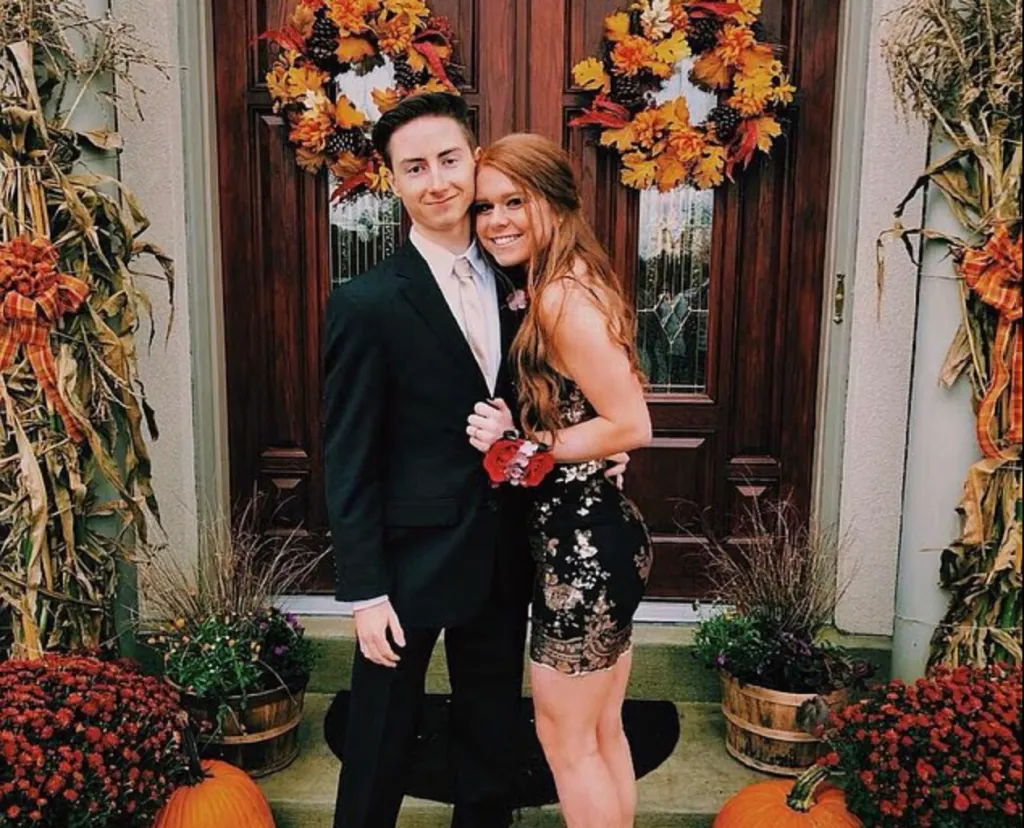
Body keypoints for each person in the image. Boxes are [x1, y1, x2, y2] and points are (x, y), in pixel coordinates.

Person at [322, 93, 625, 828]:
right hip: (406, 564)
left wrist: (593, 455)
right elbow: (348, 455)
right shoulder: (366, 304)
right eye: (414, 167)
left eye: (450, 160)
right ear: (392, 181)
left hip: (505, 550)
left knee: (490, 736)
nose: (438, 181)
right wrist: (365, 593)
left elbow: (562, 405)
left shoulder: (522, 280)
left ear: (474, 160)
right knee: (380, 740)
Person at [465, 132, 654, 828]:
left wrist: (519, 447)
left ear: (558, 202)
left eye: (516, 201)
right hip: (600, 537)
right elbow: (617, 402)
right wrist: (576, 443)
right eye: (485, 207)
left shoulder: (561, 298)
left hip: (582, 557)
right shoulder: (561, 282)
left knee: (566, 742)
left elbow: (631, 423)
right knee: (602, 731)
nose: (497, 221)